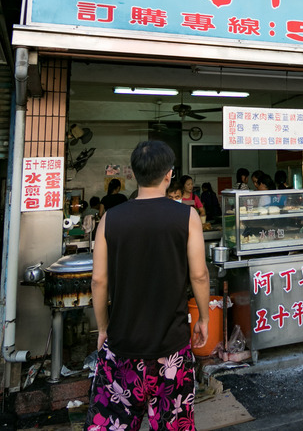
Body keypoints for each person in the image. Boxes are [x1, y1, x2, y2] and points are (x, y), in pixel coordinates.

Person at [89, 140, 209, 431]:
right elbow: (200, 276)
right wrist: (204, 318)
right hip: (172, 351)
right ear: (169, 175)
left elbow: (99, 280)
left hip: (122, 348)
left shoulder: (110, 219)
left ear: (134, 173)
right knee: (173, 426)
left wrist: (103, 328)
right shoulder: (186, 216)